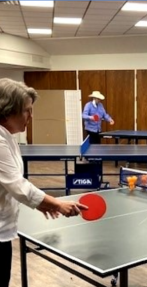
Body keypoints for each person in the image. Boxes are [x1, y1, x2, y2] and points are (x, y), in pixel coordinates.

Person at [0, 78, 88, 287]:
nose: (31, 116)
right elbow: (17, 186)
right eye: (26, 110)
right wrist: (57, 204)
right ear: (7, 110)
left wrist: (42, 205)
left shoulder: (9, 136)